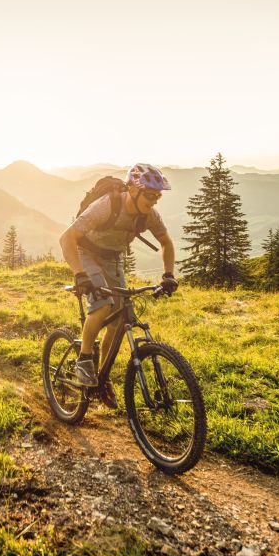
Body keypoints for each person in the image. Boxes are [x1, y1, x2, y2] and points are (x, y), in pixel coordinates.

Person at [59, 164, 178, 407]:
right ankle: (84, 359)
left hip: (113, 258)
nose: (154, 200)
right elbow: (67, 238)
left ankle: (102, 378)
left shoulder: (149, 215)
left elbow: (166, 241)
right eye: (149, 194)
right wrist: (80, 275)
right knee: (103, 305)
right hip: (87, 253)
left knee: (118, 320)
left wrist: (168, 274)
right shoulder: (107, 205)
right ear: (133, 189)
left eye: (158, 196)